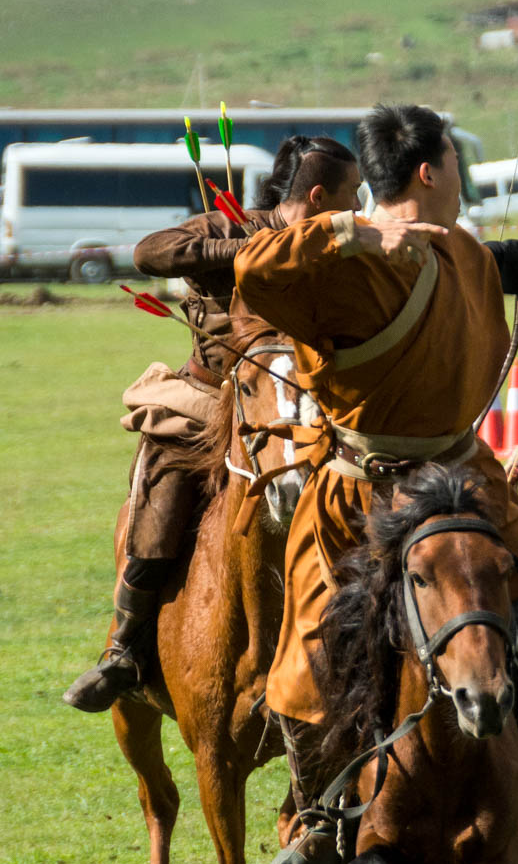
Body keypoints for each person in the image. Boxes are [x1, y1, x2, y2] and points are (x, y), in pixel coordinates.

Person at [232, 103, 518, 864]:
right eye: (456, 163)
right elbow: (256, 271)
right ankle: (322, 822)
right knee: (310, 673)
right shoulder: (344, 264)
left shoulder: (458, 249)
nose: (462, 178)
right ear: (429, 172)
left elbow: (506, 265)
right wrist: (350, 231)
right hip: (359, 504)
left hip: (463, 490)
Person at [63, 135, 360, 713]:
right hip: (205, 403)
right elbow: (151, 254)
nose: (359, 206)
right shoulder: (230, 227)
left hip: (297, 405)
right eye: (353, 195)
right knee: (162, 505)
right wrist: (253, 251)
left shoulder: (334, 245)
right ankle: (125, 649)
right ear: (321, 195)